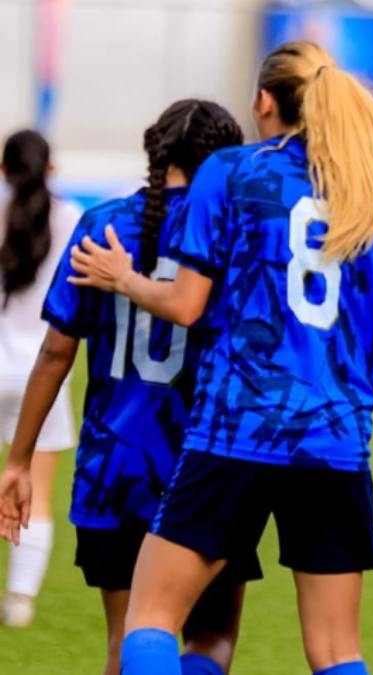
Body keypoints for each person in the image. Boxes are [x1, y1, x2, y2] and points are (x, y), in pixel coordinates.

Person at [48, 41, 373, 675]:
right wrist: (370, 374)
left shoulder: (231, 170)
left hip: (235, 431)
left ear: (264, 101)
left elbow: (186, 306)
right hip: (335, 439)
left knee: (152, 620)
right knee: (337, 650)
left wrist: (124, 279)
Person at [0, 100, 256, 675]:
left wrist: (19, 461)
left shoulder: (103, 225)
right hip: (207, 460)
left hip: (112, 464)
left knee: (126, 641)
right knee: (210, 639)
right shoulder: (234, 230)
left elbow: (57, 351)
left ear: (154, 154)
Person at [0, 129, 80, 627]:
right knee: (35, 487)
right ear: (51, 169)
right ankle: (19, 600)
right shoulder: (72, 217)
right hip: (42, 371)